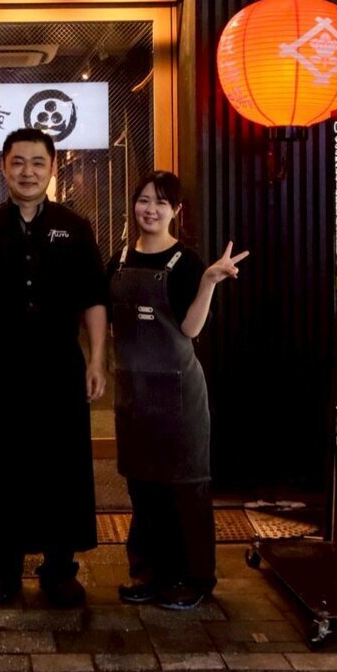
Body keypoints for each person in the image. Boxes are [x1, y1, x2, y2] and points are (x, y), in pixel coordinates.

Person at [0, 128, 108, 608]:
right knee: (4, 464)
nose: (28, 172)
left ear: (52, 167)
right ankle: (2, 567)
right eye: (18, 162)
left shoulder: (75, 227)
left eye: (38, 162)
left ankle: (60, 568)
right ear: (4, 167)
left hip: (61, 363)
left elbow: (94, 298)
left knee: (62, 464)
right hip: (3, 362)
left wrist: (97, 359)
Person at [107, 171, 248, 610]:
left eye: (161, 203)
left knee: (185, 488)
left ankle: (194, 578)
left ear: (176, 211)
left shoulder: (186, 262)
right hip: (134, 393)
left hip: (179, 394)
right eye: (144, 200)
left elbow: (190, 329)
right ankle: (147, 572)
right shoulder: (118, 259)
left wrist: (208, 282)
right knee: (143, 486)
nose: (150, 209)